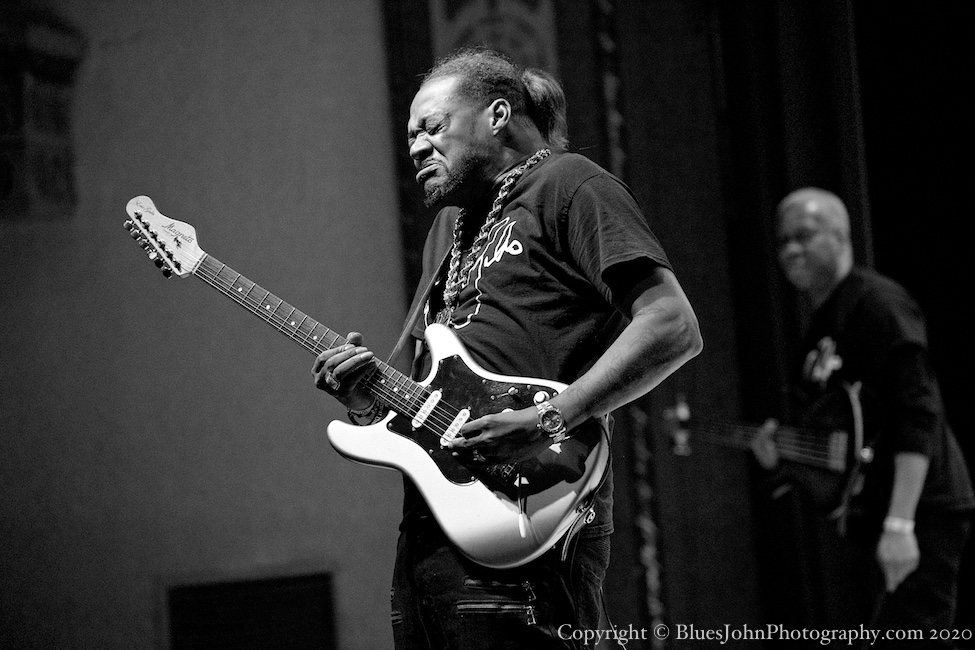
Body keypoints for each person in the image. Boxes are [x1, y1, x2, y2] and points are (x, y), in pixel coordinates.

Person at [311, 48, 702, 649]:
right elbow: (412, 377)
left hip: (534, 500)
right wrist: (366, 396)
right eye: (409, 134)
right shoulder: (447, 230)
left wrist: (549, 417)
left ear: (498, 115)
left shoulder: (571, 185)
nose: (414, 147)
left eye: (432, 128)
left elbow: (672, 325)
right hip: (435, 521)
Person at [752, 187, 973, 647]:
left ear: (840, 235)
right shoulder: (819, 329)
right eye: (782, 241)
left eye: (804, 236)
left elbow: (919, 413)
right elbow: (830, 435)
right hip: (868, 515)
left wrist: (901, 524)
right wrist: (781, 452)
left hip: (919, 511)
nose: (791, 250)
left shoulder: (878, 304)